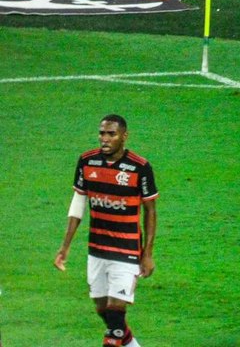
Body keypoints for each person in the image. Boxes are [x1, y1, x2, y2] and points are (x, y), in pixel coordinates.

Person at [54, 114, 158, 347]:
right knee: (105, 312)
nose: (105, 138)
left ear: (124, 136)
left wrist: (147, 253)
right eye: (102, 133)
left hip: (127, 251)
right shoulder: (87, 161)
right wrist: (65, 247)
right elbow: (78, 203)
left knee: (115, 316)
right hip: (97, 250)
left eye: (111, 134)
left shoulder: (139, 167)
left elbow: (150, 211)